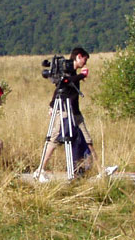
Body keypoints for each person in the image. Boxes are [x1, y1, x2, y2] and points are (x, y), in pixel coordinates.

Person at [34, 47, 103, 182]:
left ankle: (101, 170)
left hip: (75, 111)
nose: (85, 63)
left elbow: (62, 86)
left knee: (87, 140)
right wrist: (53, 105)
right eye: (85, 59)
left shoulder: (72, 70)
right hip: (65, 110)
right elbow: (64, 83)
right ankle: (40, 169)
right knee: (55, 138)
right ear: (79, 56)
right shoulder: (68, 69)